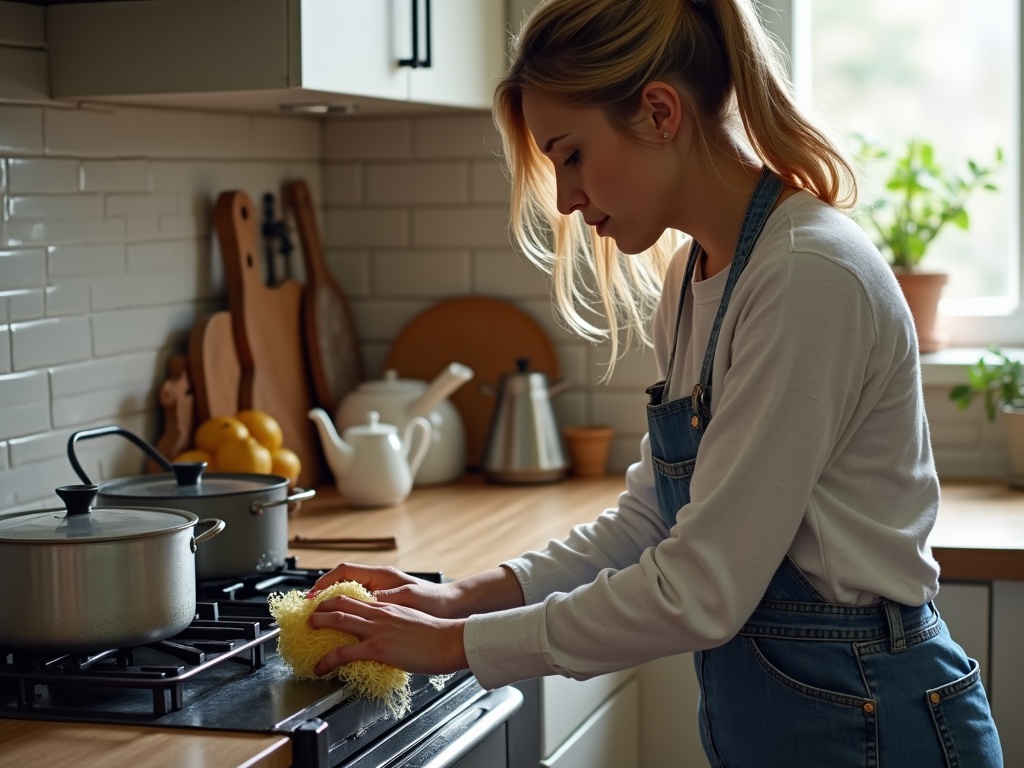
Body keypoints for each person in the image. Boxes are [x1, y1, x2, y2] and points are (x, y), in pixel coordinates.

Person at [307, 0, 1003, 764]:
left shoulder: (806, 275)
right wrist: (461, 595)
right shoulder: (698, 272)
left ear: (660, 111)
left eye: (570, 154)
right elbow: (650, 522)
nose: (566, 199)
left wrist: (456, 645)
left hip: (873, 723)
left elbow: (702, 589)